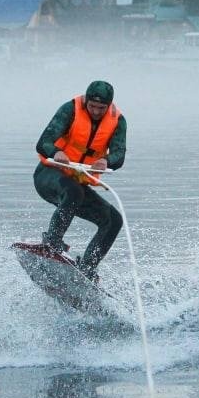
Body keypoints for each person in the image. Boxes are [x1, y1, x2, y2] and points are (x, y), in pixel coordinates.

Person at [33, 80, 126, 280]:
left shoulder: (118, 121)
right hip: (49, 177)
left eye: (101, 108)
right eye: (92, 106)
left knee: (113, 221)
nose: (96, 111)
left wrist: (106, 160)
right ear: (86, 102)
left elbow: (119, 155)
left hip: (79, 183)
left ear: (108, 105)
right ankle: (52, 243)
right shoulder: (70, 109)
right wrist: (56, 152)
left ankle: (87, 268)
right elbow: (43, 142)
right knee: (74, 192)